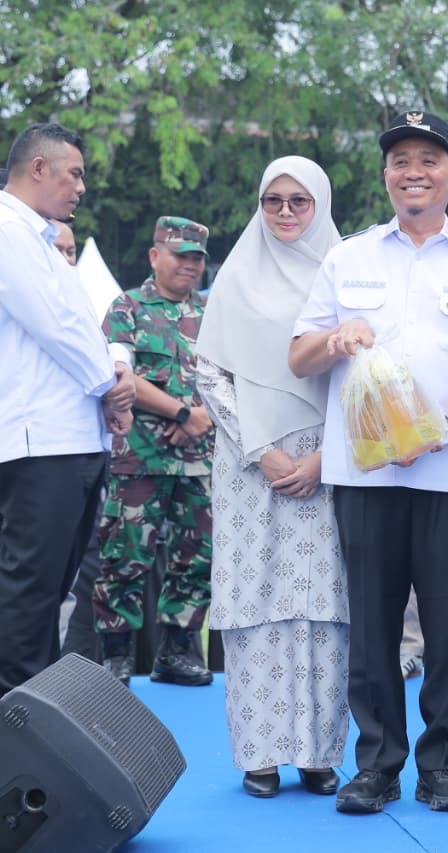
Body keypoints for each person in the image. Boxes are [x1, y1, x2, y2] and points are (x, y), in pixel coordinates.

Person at [289, 110, 448, 816]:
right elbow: (298, 353)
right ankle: (377, 762)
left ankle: (443, 764)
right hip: (363, 474)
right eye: (400, 160)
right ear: (386, 174)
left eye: (429, 159)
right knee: (373, 620)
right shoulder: (349, 257)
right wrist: (334, 338)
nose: (413, 171)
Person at [195, 156, 349, 799]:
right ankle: (258, 753)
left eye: (299, 202)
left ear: (320, 205)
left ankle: (319, 753)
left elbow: (362, 381)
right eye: (272, 201)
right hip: (248, 466)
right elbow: (209, 372)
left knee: (324, 605)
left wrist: (327, 458)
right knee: (254, 600)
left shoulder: (343, 277)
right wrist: (262, 451)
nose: (285, 213)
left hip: (327, 465)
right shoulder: (235, 280)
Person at [0, 122, 134, 697]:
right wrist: (109, 384)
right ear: (37, 169)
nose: (81, 187)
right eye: (74, 173)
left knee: (50, 593)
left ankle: (36, 727)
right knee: (29, 595)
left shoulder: (41, 238)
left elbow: (83, 324)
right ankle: (19, 732)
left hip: (71, 441)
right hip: (40, 445)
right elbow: (52, 326)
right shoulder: (7, 229)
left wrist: (114, 374)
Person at [94, 215, 215, 688]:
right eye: (180, 254)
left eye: (197, 258)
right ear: (154, 255)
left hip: (199, 460)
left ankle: (178, 650)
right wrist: (183, 414)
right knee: (125, 555)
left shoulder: (211, 316)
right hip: (139, 459)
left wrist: (199, 417)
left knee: (197, 556)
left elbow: (228, 379)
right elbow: (120, 376)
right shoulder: (127, 308)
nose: (189, 265)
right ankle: (117, 654)